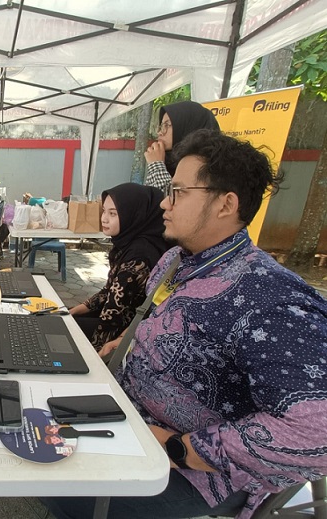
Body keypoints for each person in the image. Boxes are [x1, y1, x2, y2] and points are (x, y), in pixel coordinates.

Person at [43, 130, 327, 519]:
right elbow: (158, 314)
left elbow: (315, 431)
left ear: (226, 204)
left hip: (197, 471)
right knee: (36, 426)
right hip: (127, 412)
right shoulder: (176, 260)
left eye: (178, 192)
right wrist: (127, 339)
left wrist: (183, 448)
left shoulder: (271, 299)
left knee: (59, 486)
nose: (164, 202)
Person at [69, 183, 168, 351]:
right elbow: (108, 292)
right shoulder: (128, 244)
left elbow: (113, 315)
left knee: (58, 329)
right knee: (62, 318)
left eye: (113, 213)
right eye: (104, 211)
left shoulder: (138, 257)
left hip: (122, 333)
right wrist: (73, 311)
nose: (104, 219)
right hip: (113, 320)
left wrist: (96, 355)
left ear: (134, 215)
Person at [144, 100, 220, 193]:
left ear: (189, 127)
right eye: (161, 126)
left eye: (167, 125)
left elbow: (172, 199)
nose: (160, 132)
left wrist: (156, 166)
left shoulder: (208, 167)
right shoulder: (167, 161)